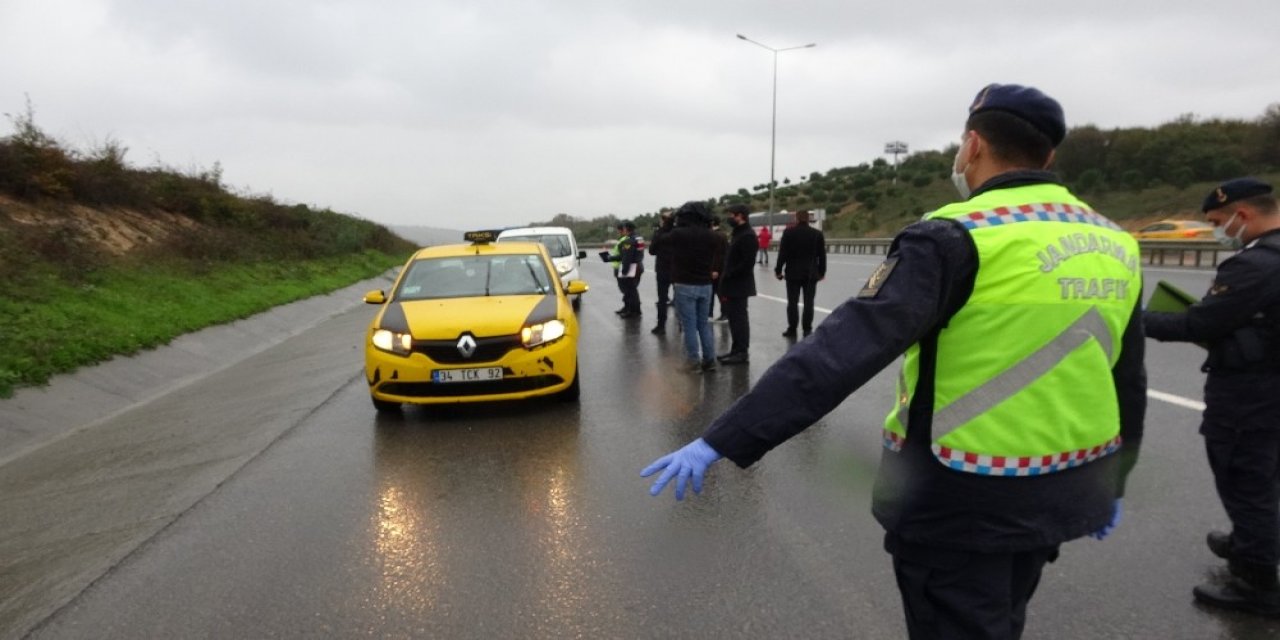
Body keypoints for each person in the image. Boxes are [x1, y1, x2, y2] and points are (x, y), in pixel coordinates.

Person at [641, 83, 1147, 639]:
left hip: (959, 497)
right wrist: (1112, 479)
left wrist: (722, 438)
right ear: (1049, 156)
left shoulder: (958, 238)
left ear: (973, 145)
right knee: (1001, 618)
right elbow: (1127, 376)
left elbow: (840, 353)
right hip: (1061, 486)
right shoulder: (1113, 241)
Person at [1144, 178, 1280, 616]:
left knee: (1245, 482)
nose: (1218, 231)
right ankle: (1246, 543)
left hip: (1250, 396)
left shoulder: (1255, 265)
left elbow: (1199, 325)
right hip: (1270, 390)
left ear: (1243, 215)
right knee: (1265, 475)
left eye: (1218, 222)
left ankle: (1257, 582)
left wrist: (1134, 318)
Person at [668, 201, 723, 372]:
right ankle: (709, 359)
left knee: (689, 325)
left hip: (685, 284)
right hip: (705, 284)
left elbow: (655, 246)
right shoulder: (713, 236)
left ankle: (693, 361)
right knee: (703, 324)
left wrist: (668, 222)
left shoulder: (678, 234)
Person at [774, 209, 826, 337]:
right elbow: (822, 256)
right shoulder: (817, 234)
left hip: (793, 273)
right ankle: (807, 329)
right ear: (808, 219)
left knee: (792, 302)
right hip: (810, 274)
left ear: (796, 219)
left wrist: (778, 270)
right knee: (809, 302)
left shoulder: (789, 233)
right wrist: (821, 272)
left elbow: (783, 254)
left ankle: (792, 329)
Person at [716, 204, 758, 364]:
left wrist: (730, 273)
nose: (730, 218)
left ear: (740, 216)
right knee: (734, 319)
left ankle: (741, 352)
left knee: (740, 319)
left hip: (739, 285)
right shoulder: (738, 233)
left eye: (732, 215)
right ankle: (735, 349)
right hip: (732, 284)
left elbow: (748, 263)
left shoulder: (747, 235)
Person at [648, 211, 676, 335]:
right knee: (680, 299)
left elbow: (652, 251)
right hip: (678, 268)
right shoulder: (678, 232)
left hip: (663, 269)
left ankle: (661, 325)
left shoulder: (659, 233)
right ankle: (681, 324)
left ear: (663, 220)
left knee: (662, 299)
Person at [616, 221, 644, 318]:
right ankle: (634, 309)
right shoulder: (639, 238)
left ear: (626, 229)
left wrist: (624, 270)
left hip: (632, 267)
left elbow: (627, 257)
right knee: (633, 290)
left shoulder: (629, 241)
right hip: (639, 265)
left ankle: (633, 311)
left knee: (631, 290)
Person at [709, 217, 729, 321]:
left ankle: (713, 314)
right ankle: (724, 313)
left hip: (717, 269)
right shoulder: (723, 234)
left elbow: (717, 254)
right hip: (723, 267)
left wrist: (714, 269)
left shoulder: (715, 236)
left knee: (714, 291)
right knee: (720, 291)